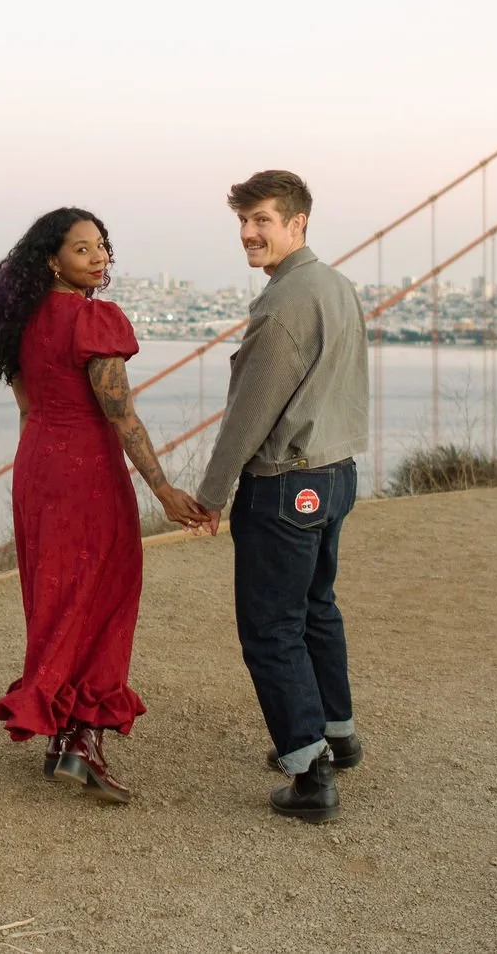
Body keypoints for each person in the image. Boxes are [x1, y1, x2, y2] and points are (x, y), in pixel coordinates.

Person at [0, 207, 213, 805]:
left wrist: (38, 473)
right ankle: (82, 742)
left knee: (56, 597)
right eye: (83, 249)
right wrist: (163, 491)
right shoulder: (94, 319)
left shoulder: (18, 323)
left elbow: (27, 410)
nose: (99, 257)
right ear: (53, 259)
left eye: (102, 245)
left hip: (37, 470)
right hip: (89, 474)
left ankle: (63, 738)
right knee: (104, 596)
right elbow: (120, 413)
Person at [196, 170, 371, 824]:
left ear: (297, 222)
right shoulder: (339, 287)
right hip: (337, 473)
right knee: (316, 605)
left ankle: (308, 770)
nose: (249, 232)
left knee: (271, 627)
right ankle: (338, 733)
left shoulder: (283, 304)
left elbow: (249, 413)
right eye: (244, 220)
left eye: (262, 219)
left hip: (286, 482)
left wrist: (212, 493)